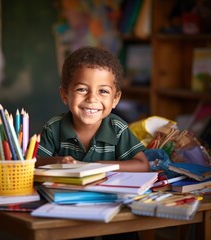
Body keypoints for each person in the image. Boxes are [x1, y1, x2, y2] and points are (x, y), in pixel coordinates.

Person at [36, 46, 150, 239]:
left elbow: (143, 165)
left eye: (103, 91)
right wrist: (57, 162)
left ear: (115, 99)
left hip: (114, 211)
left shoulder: (117, 127)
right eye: (82, 89)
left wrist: (102, 167)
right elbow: (33, 162)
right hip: (65, 212)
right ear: (65, 94)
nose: (92, 98)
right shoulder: (54, 127)